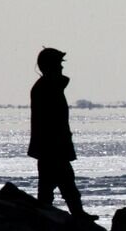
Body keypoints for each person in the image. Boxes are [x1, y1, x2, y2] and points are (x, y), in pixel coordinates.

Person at [28, 47, 96, 220]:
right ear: (49, 66)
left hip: (49, 147)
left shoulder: (45, 87)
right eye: (58, 63)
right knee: (65, 183)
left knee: (49, 185)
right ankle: (77, 215)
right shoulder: (47, 87)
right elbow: (51, 122)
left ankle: (46, 217)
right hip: (52, 147)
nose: (61, 67)